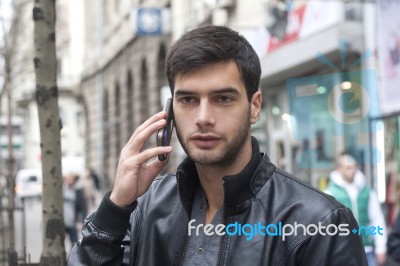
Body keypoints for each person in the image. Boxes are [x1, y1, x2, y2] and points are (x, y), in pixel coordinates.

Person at [68, 25, 367, 265]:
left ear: (254, 106)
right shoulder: (148, 207)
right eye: (188, 100)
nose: (203, 117)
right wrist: (115, 207)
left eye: (223, 98)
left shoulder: (318, 222)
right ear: (170, 112)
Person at [326, 154, 387, 266]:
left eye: (354, 167)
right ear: (339, 169)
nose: (352, 170)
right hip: (342, 251)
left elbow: (377, 219)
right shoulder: (330, 193)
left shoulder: (367, 191)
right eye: (348, 168)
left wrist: (381, 247)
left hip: (367, 249)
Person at [63, 174, 87, 246]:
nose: (69, 182)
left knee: (74, 243)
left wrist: (82, 221)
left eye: (71, 180)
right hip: (62, 221)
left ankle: (71, 256)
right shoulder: (61, 190)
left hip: (72, 222)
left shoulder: (77, 192)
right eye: (68, 180)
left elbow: (83, 207)